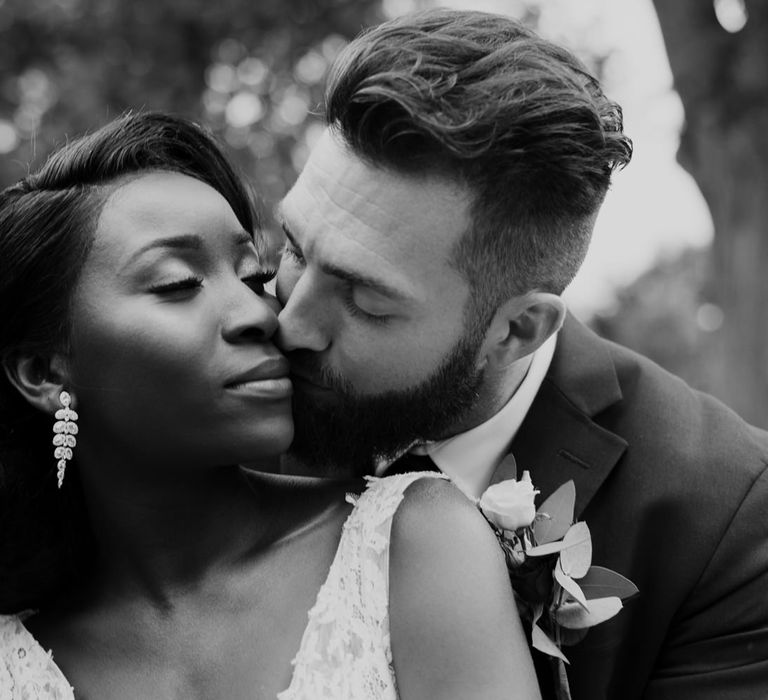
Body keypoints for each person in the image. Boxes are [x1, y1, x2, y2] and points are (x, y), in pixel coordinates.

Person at [274, 9, 768, 699]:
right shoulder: (217, 389)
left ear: (516, 331)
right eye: (295, 247)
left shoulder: (723, 523)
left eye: (366, 301)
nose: (290, 323)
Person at [0, 112, 541, 699]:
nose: (262, 314)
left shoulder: (407, 544)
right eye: (179, 283)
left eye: (253, 275)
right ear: (44, 370)